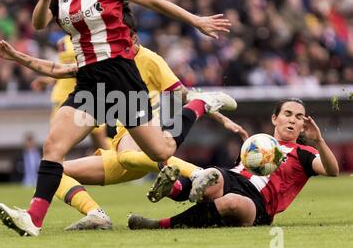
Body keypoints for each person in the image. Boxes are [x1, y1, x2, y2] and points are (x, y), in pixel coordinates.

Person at [0, 0, 234, 237]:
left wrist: (196, 21)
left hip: (122, 80)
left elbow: (155, 2)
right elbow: (38, 25)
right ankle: (33, 219)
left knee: (161, 152)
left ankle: (198, 105)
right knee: (53, 146)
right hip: (89, 83)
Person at [127, 98, 340, 229]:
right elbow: (236, 169)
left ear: (304, 126)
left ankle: (161, 220)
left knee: (233, 202)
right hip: (232, 178)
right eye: (288, 114)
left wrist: (319, 140)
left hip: (259, 204)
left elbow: (333, 171)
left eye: (299, 117)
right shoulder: (258, 142)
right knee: (213, 175)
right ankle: (174, 188)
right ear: (275, 119)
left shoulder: (305, 153)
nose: (293, 120)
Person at [31, 36, 110, 151]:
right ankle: (56, 168)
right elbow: (63, 69)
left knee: (99, 142)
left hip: (90, 95)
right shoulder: (62, 42)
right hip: (63, 96)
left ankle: (115, 163)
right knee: (55, 141)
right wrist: (48, 80)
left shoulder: (95, 38)